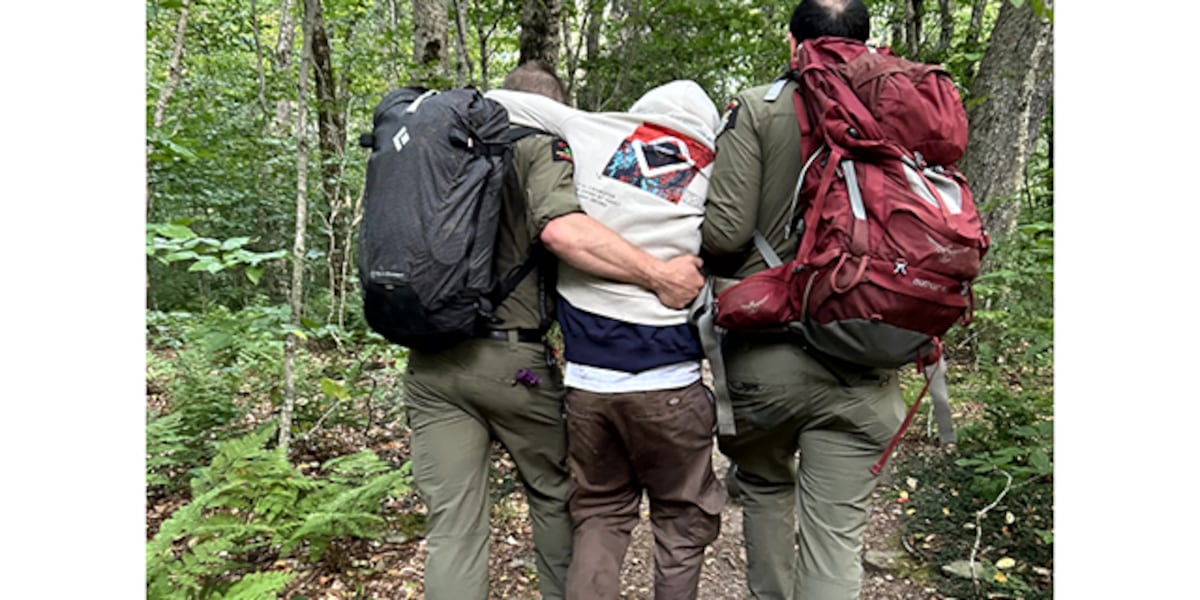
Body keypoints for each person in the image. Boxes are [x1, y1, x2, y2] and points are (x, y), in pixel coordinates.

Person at [402, 60, 706, 600]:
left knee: (452, 531)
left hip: (429, 361)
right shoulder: (540, 147)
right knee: (559, 500)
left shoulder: (442, 150)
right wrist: (659, 273)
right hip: (511, 363)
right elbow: (565, 232)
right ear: (552, 110)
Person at [699, 1, 906, 598]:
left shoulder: (759, 108)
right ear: (865, 41)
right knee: (837, 535)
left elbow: (726, 233)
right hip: (867, 352)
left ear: (794, 44)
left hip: (768, 355)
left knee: (765, 490)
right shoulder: (899, 110)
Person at [489, 79, 725, 600]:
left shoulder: (587, 129)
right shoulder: (716, 164)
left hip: (589, 385)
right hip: (671, 383)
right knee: (682, 522)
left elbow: (495, 99)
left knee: (599, 513)